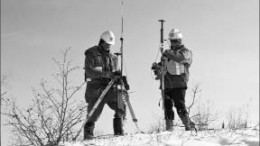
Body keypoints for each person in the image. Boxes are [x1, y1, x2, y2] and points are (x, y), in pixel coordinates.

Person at [83, 30, 126, 140]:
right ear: (101, 42)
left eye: (110, 45)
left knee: (121, 105)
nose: (108, 46)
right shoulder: (91, 53)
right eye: (107, 44)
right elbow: (89, 71)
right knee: (93, 114)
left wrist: (121, 80)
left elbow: (116, 72)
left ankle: (119, 132)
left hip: (110, 88)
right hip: (95, 89)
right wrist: (106, 74)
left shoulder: (113, 57)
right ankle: (88, 136)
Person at [152, 28, 195, 131]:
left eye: (175, 40)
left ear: (180, 40)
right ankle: (169, 129)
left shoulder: (186, 52)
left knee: (179, 104)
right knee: (167, 107)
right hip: (166, 83)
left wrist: (168, 53)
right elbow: (163, 67)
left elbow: (181, 59)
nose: (173, 43)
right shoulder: (167, 54)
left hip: (179, 83)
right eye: (172, 40)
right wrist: (157, 68)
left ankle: (188, 125)